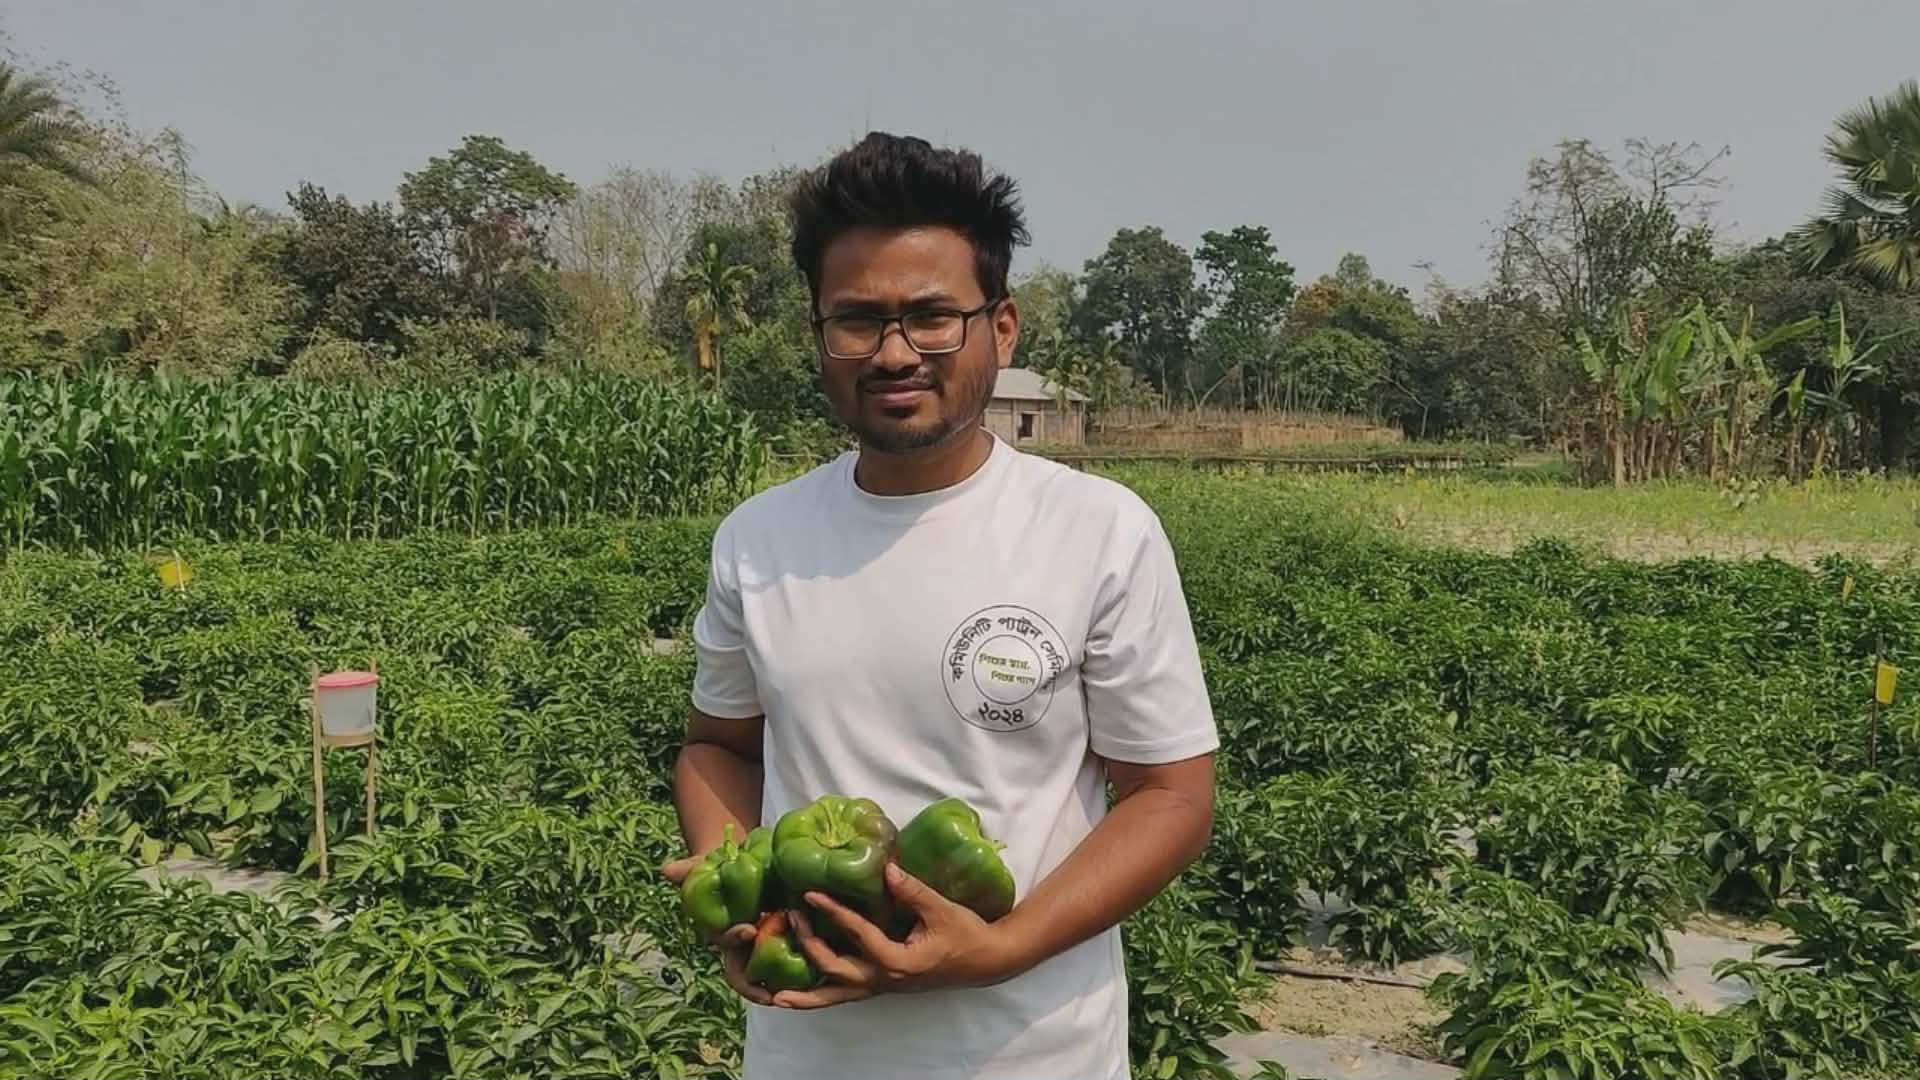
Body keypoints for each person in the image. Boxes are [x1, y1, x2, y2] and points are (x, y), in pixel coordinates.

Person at [662, 131, 1218, 1080]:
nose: (893, 353)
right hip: (808, 1049)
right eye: (856, 320)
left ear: (1000, 328)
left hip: (1034, 1050)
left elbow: (1169, 795)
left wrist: (1001, 949)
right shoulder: (758, 541)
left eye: (932, 317)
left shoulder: (1098, 530)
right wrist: (734, 883)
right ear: (819, 335)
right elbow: (719, 746)